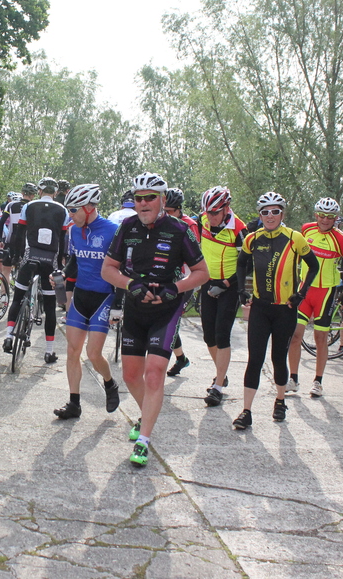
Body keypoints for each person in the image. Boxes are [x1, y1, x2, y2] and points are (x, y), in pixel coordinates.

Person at [102, 173, 209, 467]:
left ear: (162, 200)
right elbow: (108, 269)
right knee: (130, 376)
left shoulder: (179, 230)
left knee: (154, 373)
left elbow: (202, 273)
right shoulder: (127, 227)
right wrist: (130, 285)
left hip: (166, 310)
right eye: (139, 198)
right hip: (136, 309)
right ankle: (145, 415)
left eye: (150, 197)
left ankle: (144, 441)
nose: (144, 203)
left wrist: (175, 288)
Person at [232, 192, 319, 429]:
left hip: (285, 310)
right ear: (260, 215)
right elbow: (241, 263)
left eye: (275, 211)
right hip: (260, 308)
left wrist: (301, 294)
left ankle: (280, 401)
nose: (270, 216)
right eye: (265, 212)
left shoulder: (295, 238)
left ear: (282, 213)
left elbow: (313, 266)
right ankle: (246, 411)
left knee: (278, 359)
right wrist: (241, 290)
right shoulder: (252, 238)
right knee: (255, 359)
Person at [53, 184, 121, 420]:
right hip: (81, 295)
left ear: (89, 207)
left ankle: (110, 383)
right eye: (68, 210)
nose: (70, 215)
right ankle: (74, 404)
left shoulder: (113, 231)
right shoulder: (73, 231)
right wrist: (63, 275)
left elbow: (123, 270)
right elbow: (75, 261)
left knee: (93, 353)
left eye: (73, 210)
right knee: (72, 350)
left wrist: (119, 304)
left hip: (104, 297)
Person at [286, 198, 343, 398]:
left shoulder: (341, 239)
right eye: (322, 215)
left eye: (330, 217)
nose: (325, 220)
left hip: (326, 292)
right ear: (316, 215)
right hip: (305, 290)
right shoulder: (307, 230)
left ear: (336, 218)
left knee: (320, 338)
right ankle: (293, 379)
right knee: (295, 336)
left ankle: (318, 381)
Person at [3, 177, 68, 364]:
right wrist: (60, 266)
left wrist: (16, 257)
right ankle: (49, 351)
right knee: (50, 307)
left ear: (39, 191)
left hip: (30, 256)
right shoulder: (62, 210)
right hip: (50, 260)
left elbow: (19, 233)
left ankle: (8, 336)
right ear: (55, 192)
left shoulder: (29, 206)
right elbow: (63, 240)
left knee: (18, 298)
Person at [196, 186, 248, 407]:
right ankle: (221, 374)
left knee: (222, 333)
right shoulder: (202, 221)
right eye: (208, 212)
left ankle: (217, 386)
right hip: (208, 282)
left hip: (229, 286)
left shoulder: (239, 230)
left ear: (227, 208)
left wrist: (226, 284)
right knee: (209, 336)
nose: (210, 217)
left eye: (215, 213)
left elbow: (246, 265)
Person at [163, 187, 199, 377]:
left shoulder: (189, 225)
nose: (166, 214)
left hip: (185, 278)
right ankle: (181, 358)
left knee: (170, 319)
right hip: (167, 277)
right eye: (164, 210)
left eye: (170, 211)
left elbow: (194, 256)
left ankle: (164, 360)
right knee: (166, 318)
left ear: (179, 209)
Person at [0, 183, 36, 281]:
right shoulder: (33, 206)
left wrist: (0, 239)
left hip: (11, 240)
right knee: (24, 272)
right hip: (26, 242)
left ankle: (4, 290)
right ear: (33, 195)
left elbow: (1, 222)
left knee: (6, 270)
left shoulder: (11, 204)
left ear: (22, 193)